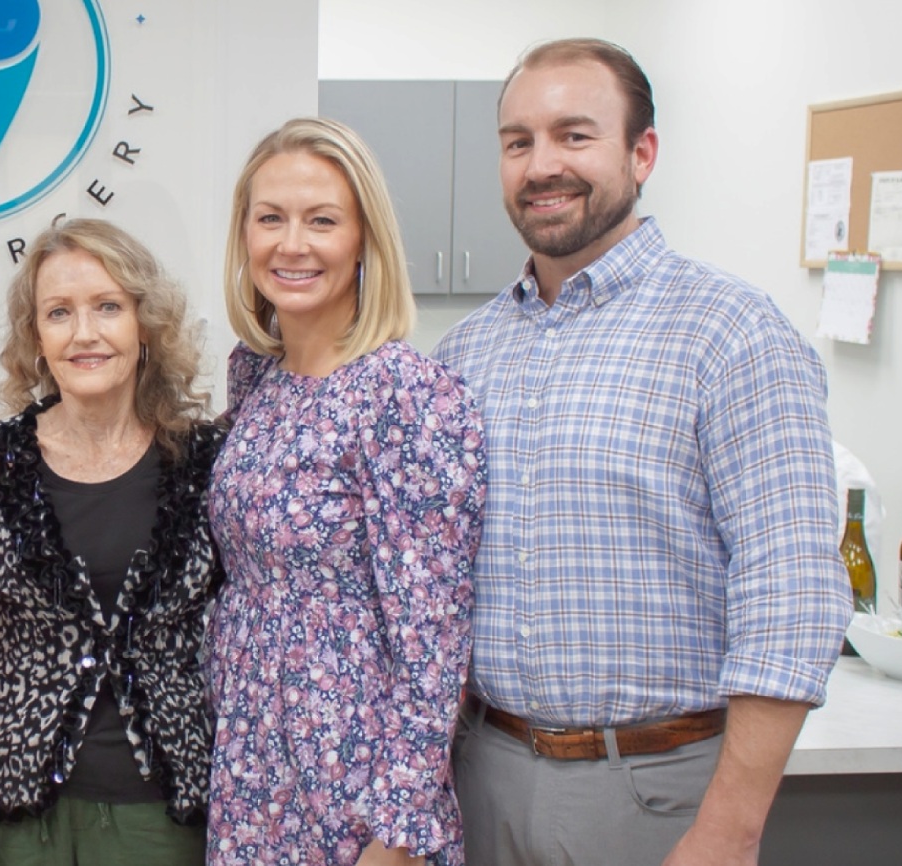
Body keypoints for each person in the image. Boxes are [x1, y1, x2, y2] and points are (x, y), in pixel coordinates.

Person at [435, 38, 850, 866]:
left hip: (653, 792)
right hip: (480, 777)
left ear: (642, 152)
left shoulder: (731, 334)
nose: (542, 163)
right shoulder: (461, 355)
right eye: (519, 142)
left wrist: (729, 832)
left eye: (574, 135)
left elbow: (791, 596)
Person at [205, 117, 486, 866]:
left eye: (322, 220)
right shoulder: (256, 374)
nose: (291, 244)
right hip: (252, 769)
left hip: (355, 785)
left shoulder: (406, 394)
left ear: (364, 238)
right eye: (270, 218)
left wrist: (394, 837)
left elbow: (434, 646)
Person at [0, 218, 223, 865]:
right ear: (36, 336)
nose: (86, 333)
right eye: (60, 312)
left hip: (163, 815)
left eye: (108, 307)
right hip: (17, 816)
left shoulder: (206, 464)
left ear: (143, 324)